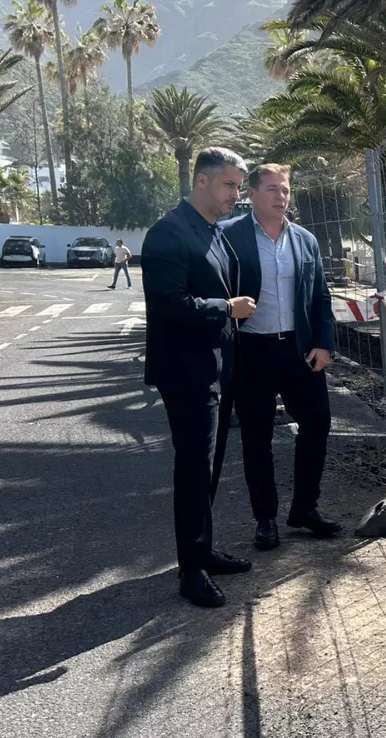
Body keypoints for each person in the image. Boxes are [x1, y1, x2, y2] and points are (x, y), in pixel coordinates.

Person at [142, 147, 257, 608]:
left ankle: (203, 552)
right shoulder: (169, 232)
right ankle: (191, 572)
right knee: (194, 469)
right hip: (187, 372)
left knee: (208, 468)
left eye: (238, 186)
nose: (236, 194)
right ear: (202, 181)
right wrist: (226, 308)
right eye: (229, 184)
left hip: (218, 369)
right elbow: (167, 302)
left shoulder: (212, 232)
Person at [223, 162, 341, 551]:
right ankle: (266, 519)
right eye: (272, 189)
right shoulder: (229, 236)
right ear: (252, 194)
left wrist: (324, 344)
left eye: (286, 189)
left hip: (299, 349)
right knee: (256, 436)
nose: (281, 196)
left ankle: (305, 508)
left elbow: (320, 295)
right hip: (252, 350)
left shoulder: (305, 240)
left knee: (318, 423)